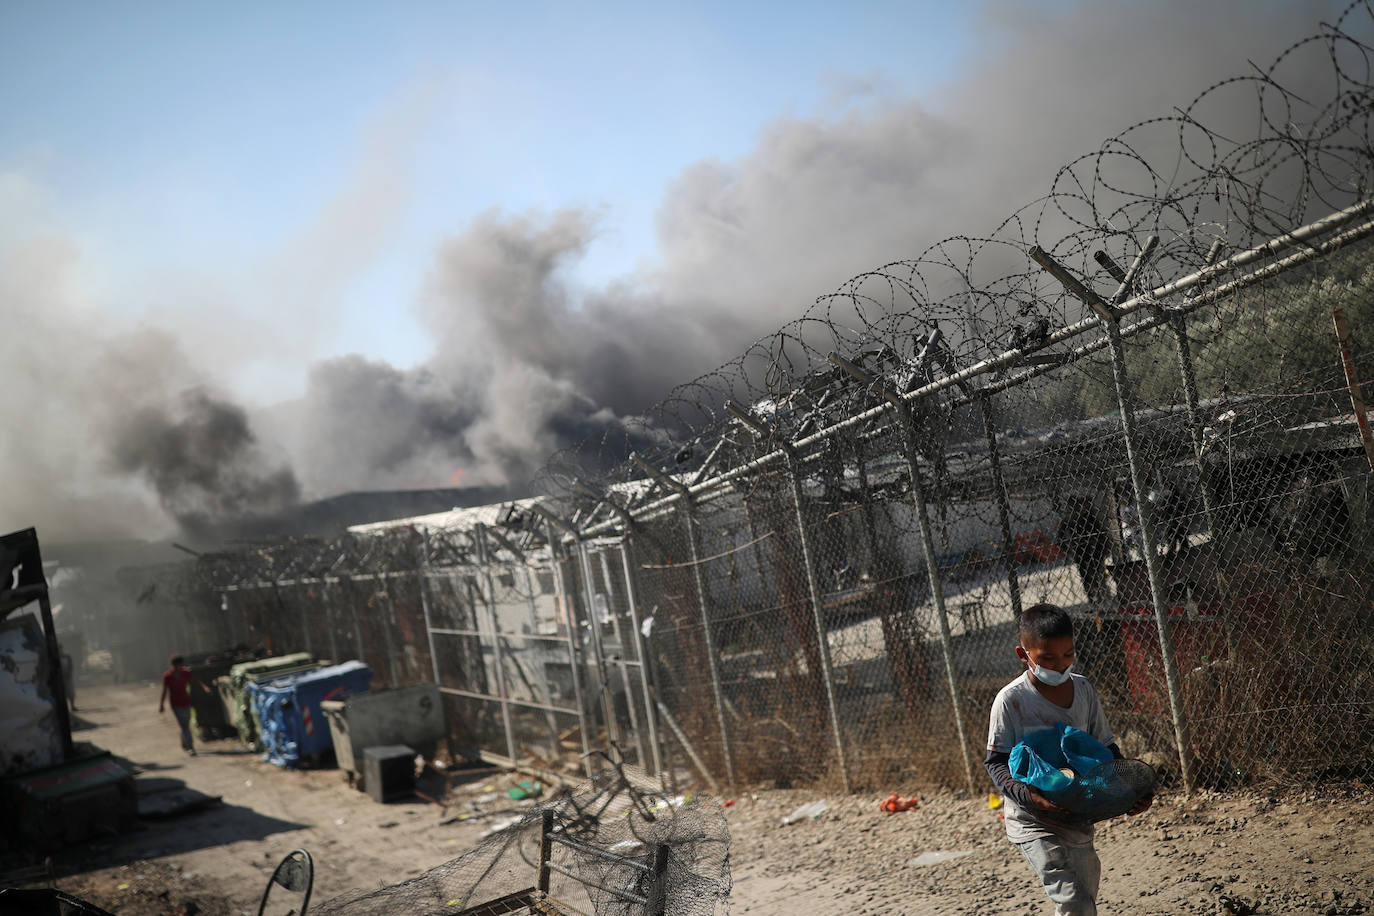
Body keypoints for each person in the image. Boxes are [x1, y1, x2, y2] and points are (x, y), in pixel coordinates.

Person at [985, 604, 1151, 915]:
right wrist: (1031, 797)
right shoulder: (1010, 701)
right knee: (1074, 901)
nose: (1059, 665)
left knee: (1085, 898)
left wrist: (1128, 791)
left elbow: (1105, 750)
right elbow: (996, 762)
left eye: (1067, 655)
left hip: (1077, 815)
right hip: (1032, 820)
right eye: (1047, 658)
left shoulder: (1084, 689)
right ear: (1024, 655)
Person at [159, 654, 197, 755]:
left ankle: (184, 742)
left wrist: (204, 687)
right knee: (184, 725)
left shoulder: (185, 673)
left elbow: (194, 681)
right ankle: (191, 747)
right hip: (176, 704)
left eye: (180, 665)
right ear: (173, 665)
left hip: (186, 702)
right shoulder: (167, 676)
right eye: (176, 666)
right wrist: (161, 705)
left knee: (186, 725)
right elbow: (164, 691)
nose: (178, 667)